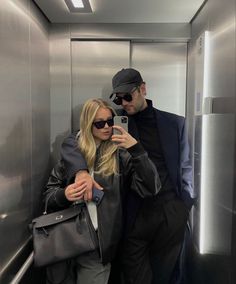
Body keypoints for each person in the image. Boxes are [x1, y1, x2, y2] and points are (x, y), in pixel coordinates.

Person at [60, 68, 196, 284]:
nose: (123, 103)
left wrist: (186, 203)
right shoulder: (113, 121)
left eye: (127, 96)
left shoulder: (174, 123)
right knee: (134, 277)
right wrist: (81, 172)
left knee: (165, 276)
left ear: (142, 89)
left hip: (170, 211)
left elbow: (186, 165)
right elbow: (75, 139)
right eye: (118, 98)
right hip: (134, 213)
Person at [45, 98, 161, 284]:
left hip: (97, 246)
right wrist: (64, 194)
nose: (106, 127)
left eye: (110, 121)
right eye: (99, 123)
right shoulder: (71, 155)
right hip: (64, 242)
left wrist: (136, 149)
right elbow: (48, 197)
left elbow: (151, 186)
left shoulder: (120, 157)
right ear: (88, 124)